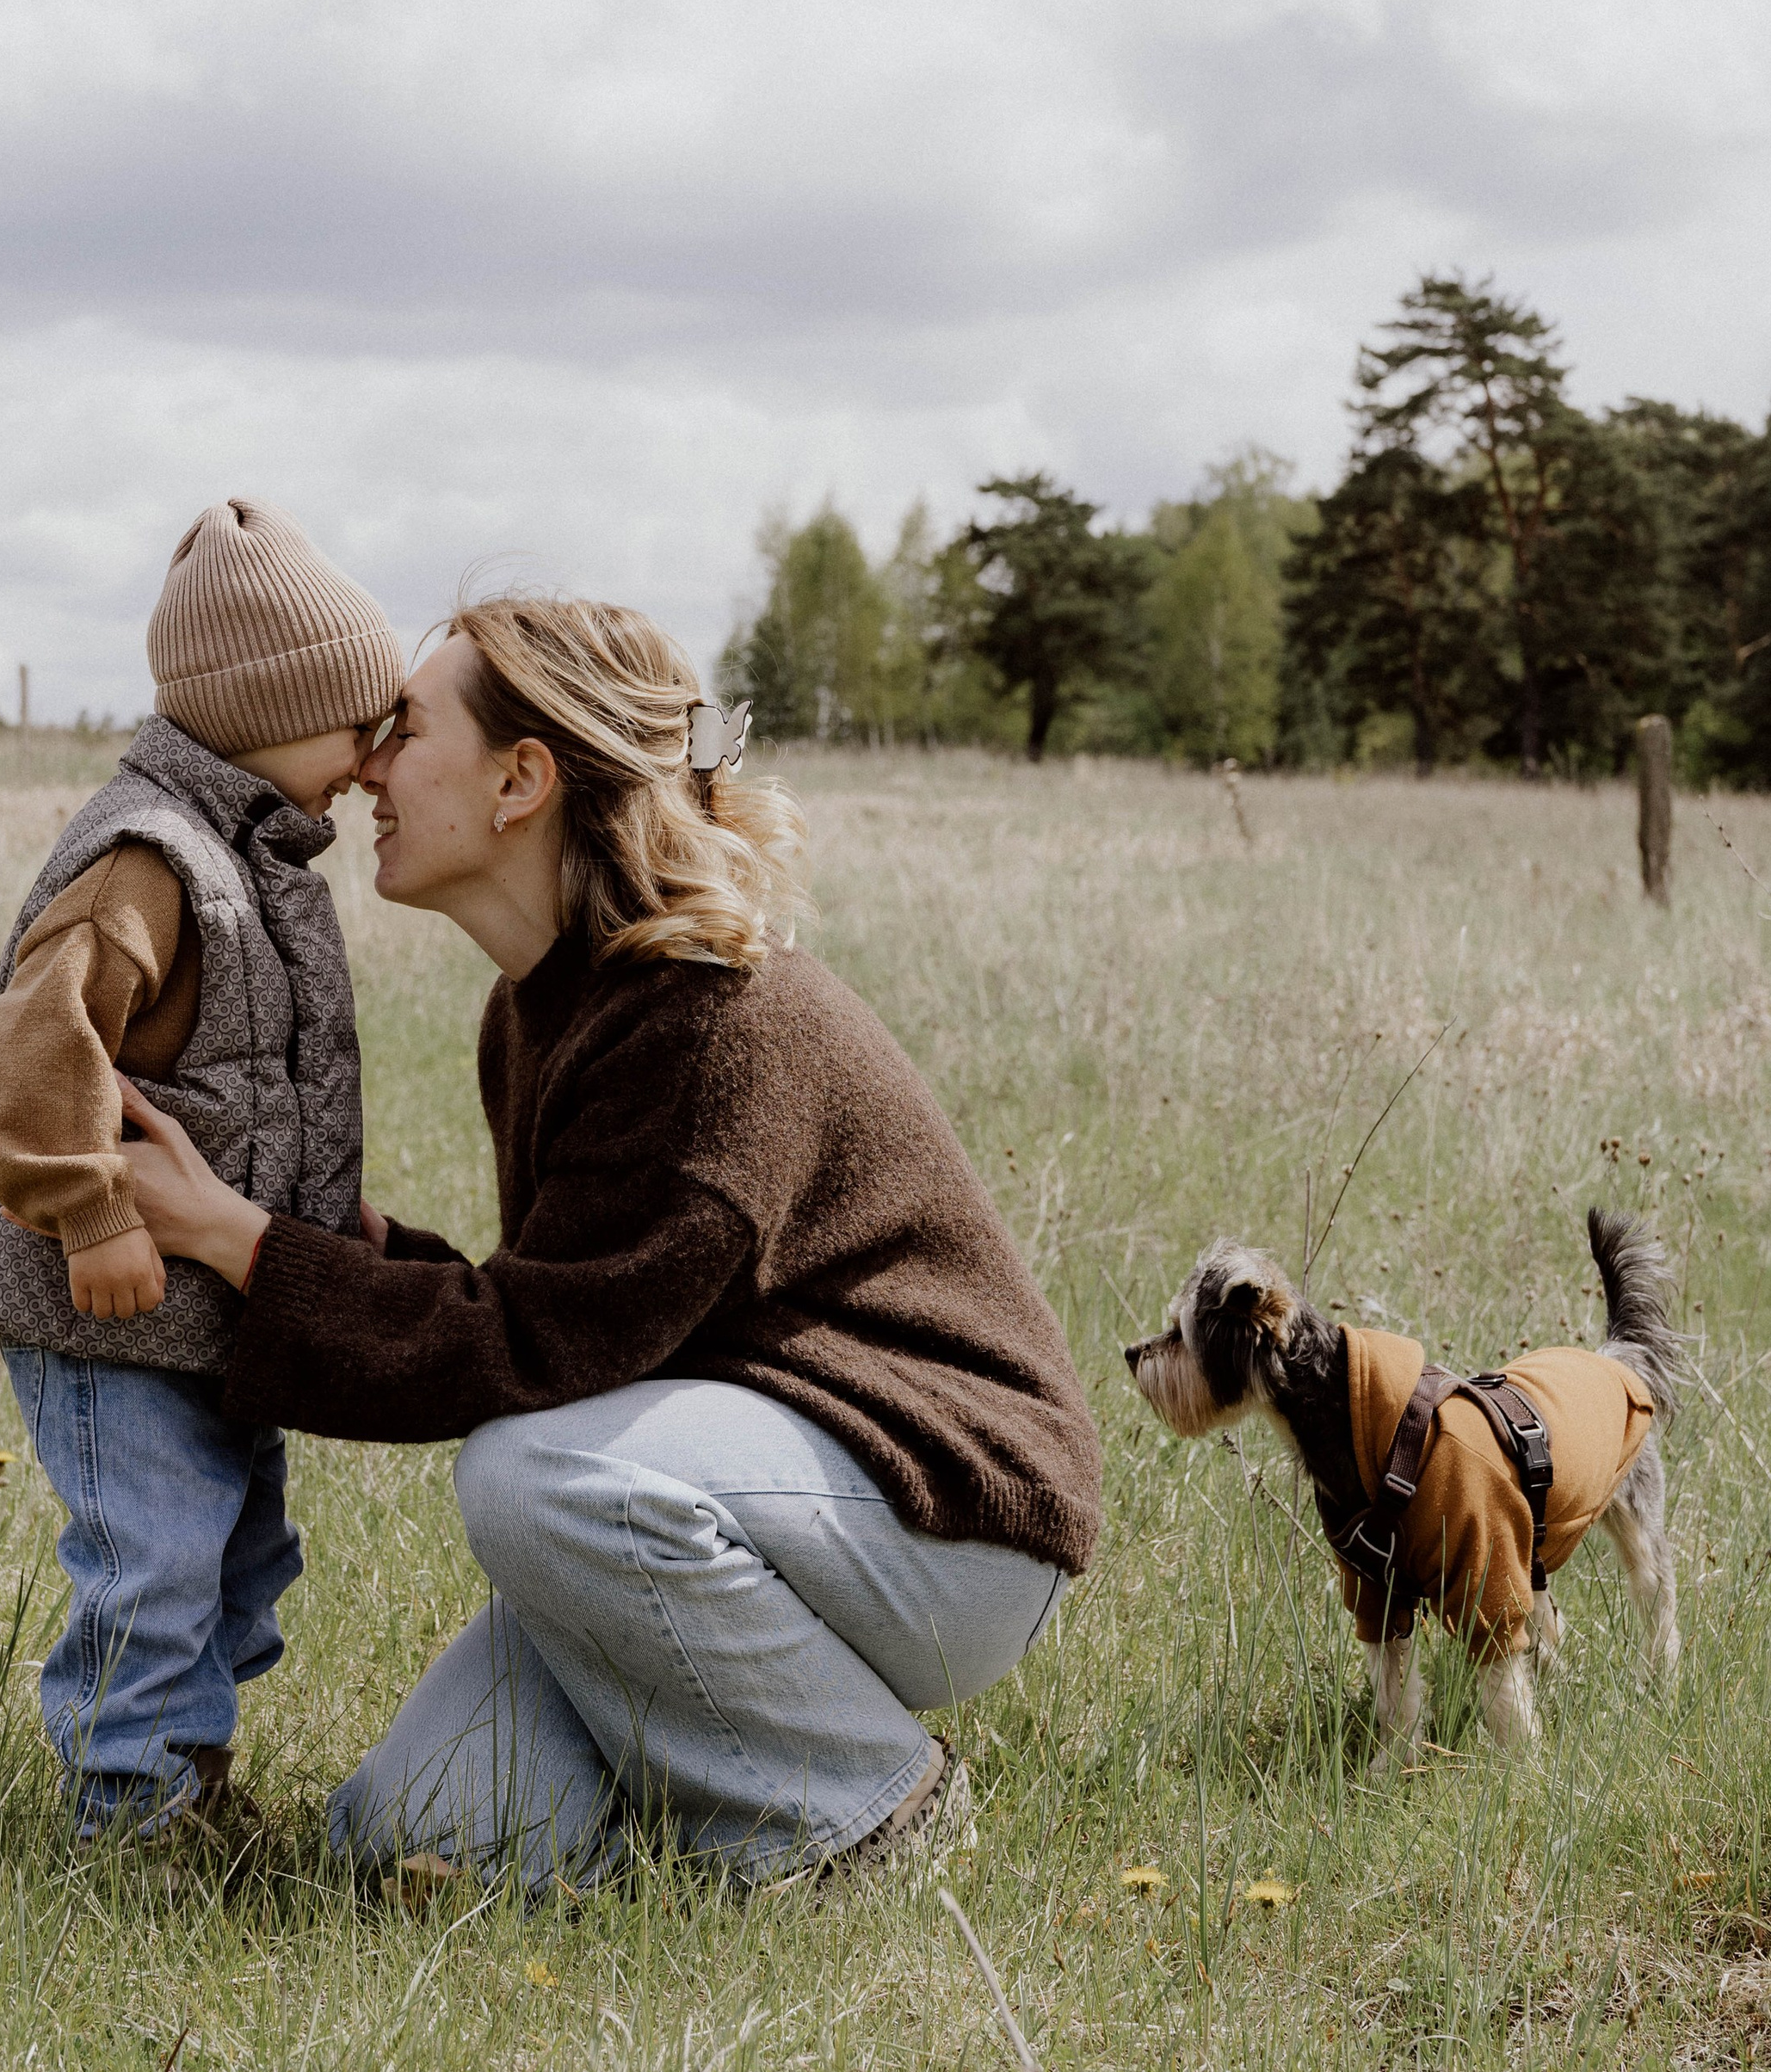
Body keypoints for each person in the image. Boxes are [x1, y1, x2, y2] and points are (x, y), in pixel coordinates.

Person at [118, 594, 1101, 1898]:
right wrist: (361, 1254)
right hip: (751, 1498)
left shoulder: (709, 1018)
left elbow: (540, 1355)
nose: (365, 767)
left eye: (406, 730)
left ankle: (864, 1813)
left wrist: (250, 1250)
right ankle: (707, 1799)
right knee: (406, 1845)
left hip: (942, 1515)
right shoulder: (540, 1008)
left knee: (531, 1478)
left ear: (523, 779)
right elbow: (580, 1311)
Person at [0, 497, 404, 1841]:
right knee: (156, 1559)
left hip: (201, 1309)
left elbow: (248, 1065)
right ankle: (126, 1821)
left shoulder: (251, 852)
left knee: (240, 1554)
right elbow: (42, 1033)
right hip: (107, 1299)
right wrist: (92, 1211)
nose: (372, 760)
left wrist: (315, 1206)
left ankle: (190, 1779)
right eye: (355, 724)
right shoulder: (146, 856)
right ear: (264, 708)